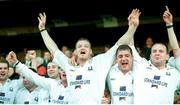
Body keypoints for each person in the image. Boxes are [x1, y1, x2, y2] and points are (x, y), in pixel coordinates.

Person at [38, 8, 140, 104]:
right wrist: (42, 29)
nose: (83, 48)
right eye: (79, 46)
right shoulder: (69, 65)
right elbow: (53, 49)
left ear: (91, 51)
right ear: (75, 52)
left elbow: (120, 44)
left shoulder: (100, 62)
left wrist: (132, 27)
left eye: (86, 46)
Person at [127, 6, 180, 104]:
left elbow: (176, 50)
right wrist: (132, 26)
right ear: (150, 55)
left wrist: (169, 25)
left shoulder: (175, 73)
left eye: (161, 51)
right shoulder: (141, 66)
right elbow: (130, 46)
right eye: (154, 51)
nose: (157, 53)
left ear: (168, 56)